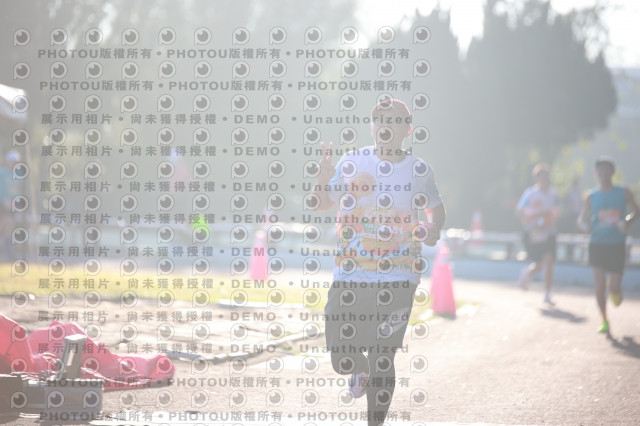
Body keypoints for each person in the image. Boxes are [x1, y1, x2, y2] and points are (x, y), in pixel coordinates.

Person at [313, 99, 446, 426]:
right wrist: (321, 179)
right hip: (351, 272)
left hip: (399, 274)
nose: (386, 125)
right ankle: (360, 369)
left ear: (407, 129)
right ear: (372, 126)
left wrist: (433, 227)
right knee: (340, 350)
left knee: (382, 354)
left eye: (394, 120)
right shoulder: (351, 162)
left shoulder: (418, 169)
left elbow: (435, 206)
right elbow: (322, 204)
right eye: (379, 119)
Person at [577, 156, 639, 334]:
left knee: (614, 289)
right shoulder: (591, 196)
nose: (603, 173)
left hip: (616, 244)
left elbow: (636, 211)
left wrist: (627, 221)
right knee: (599, 284)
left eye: (607, 170)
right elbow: (581, 218)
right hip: (597, 243)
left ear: (613, 172)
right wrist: (584, 226)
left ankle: (616, 289)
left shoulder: (623, 191)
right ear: (596, 173)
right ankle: (604, 319)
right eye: (600, 170)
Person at [516, 163, 561, 304]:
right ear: (536, 179)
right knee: (539, 264)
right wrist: (533, 218)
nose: (545, 180)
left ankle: (547, 293)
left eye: (547, 177)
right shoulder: (530, 194)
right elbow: (520, 210)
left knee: (549, 261)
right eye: (542, 177)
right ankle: (527, 273)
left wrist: (550, 218)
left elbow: (558, 210)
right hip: (534, 233)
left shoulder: (554, 194)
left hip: (549, 233)